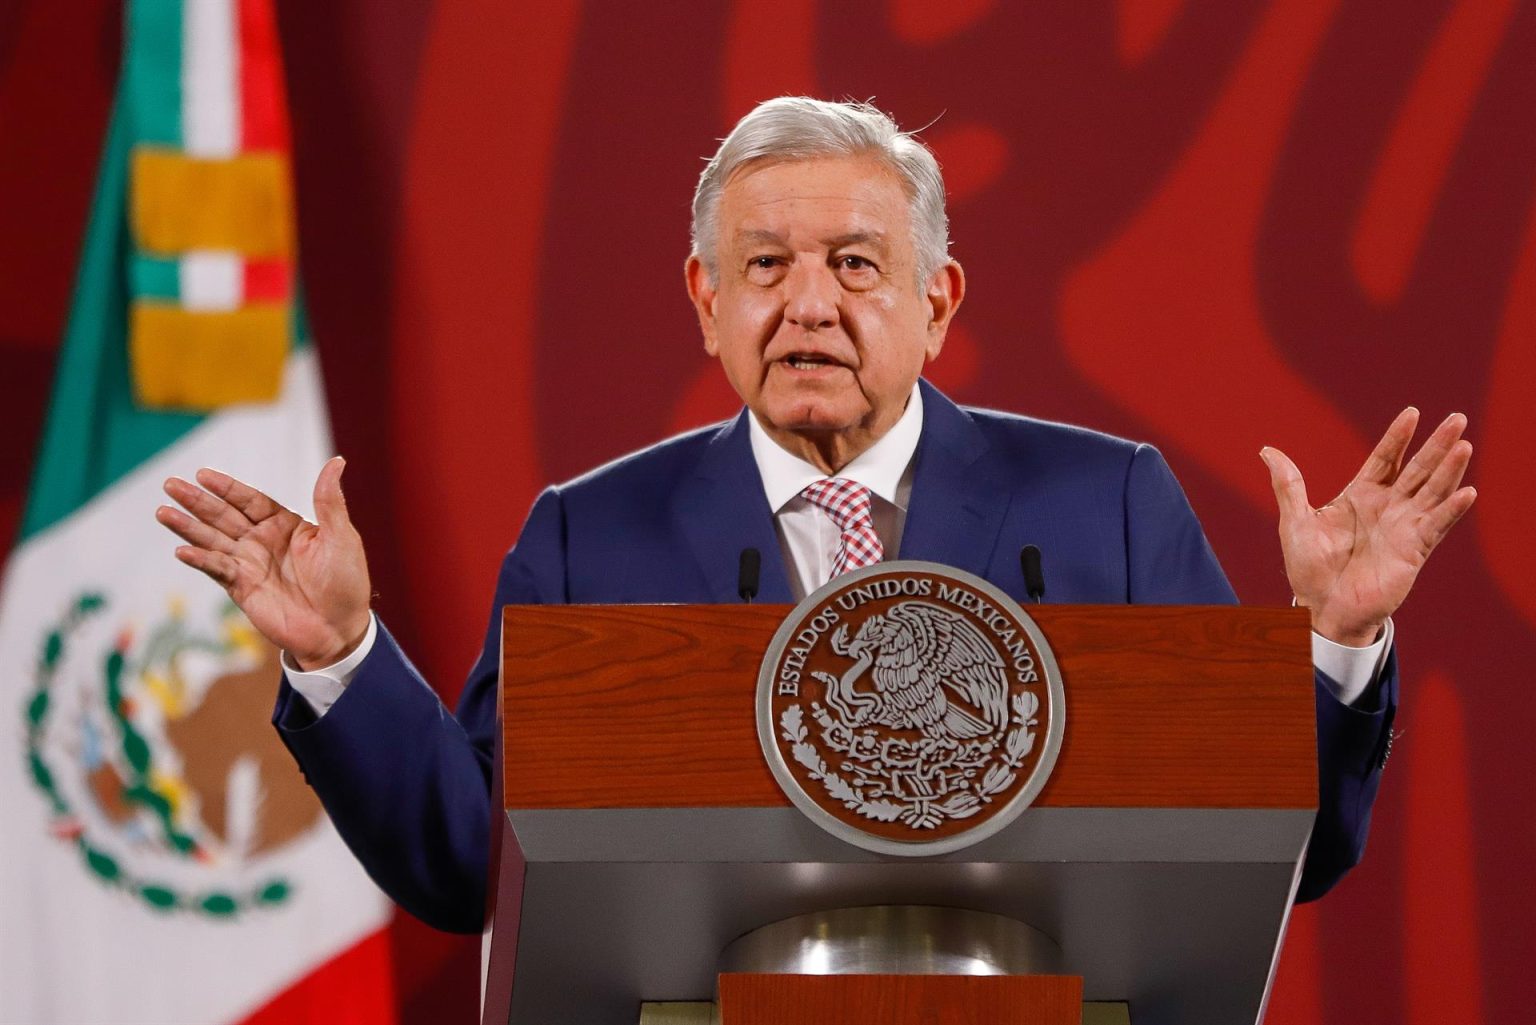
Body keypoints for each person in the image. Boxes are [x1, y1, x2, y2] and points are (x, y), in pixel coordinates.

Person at [156, 98, 1476, 935]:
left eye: (856, 265)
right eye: (765, 267)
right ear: (704, 299)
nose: (809, 305)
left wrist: (1334, 647)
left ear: (939, 300)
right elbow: (464, 864)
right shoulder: (588, 535)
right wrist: (338, 652)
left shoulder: (1107, 502)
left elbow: (1277, 853)